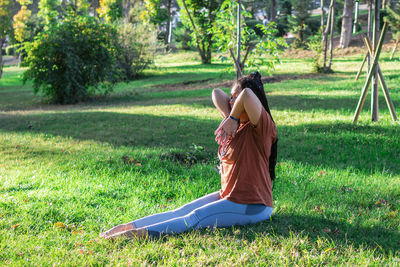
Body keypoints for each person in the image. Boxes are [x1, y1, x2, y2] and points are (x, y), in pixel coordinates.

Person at [100, 72, 278, 240]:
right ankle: (128, 227)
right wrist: (229, 117)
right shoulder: (236, 126)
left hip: (253, 205)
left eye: (234, 98)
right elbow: (216, 92)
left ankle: (139, 235)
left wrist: (232, 117)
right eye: (231, 97)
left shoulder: (262, 128)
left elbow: (246, 94)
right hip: (230, 196)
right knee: (181, 211)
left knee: (195, 218)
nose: (231, 101)